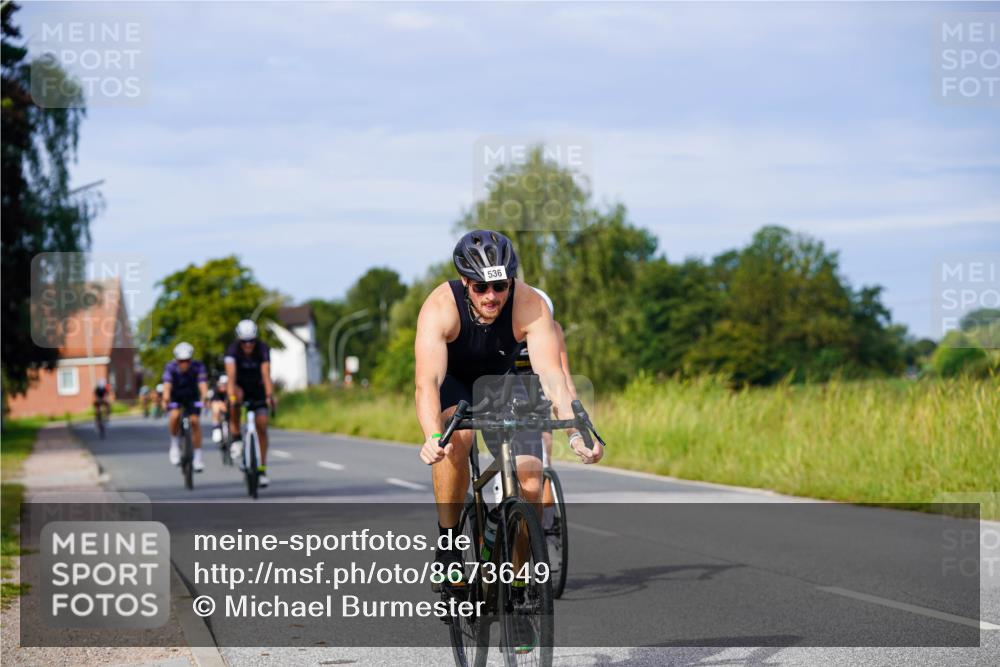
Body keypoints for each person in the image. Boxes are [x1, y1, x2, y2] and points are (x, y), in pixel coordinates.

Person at [414, 230, 603, 650]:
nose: (491, 296)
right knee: (457, 437)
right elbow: (427, 382)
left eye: (500, 285)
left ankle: (517, 596)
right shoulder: (440, 306)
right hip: (457, 381)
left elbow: (553, 377)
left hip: (511, 381)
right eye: (481, 286)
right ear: (466, 282)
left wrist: (575, 430)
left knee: (531, 482)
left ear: (511, 281)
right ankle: (448, 546)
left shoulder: (530, 304)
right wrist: (432, 435)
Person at [496, 287, 577, 513]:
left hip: (537, 384)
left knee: (544, 438)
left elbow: (563, 376)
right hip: (509, 384)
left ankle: (545, 475)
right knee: (507, 437)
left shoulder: (553, 331)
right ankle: (503, 487)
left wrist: (576, 415)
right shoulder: (511, 328)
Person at [225, 320, 275, 487]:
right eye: (245, 341)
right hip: (240, 385)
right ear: (239, 340)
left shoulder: (262, 349)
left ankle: (261, 469)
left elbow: (266, 374)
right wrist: (231, 395)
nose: (248, 345)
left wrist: (269, 395)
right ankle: (237, 436)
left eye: (251, 341)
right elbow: (231, 375)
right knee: (235, 399)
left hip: (258, 387)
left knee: (262, 425)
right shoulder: (232, 350)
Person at [162, 342, 209, 471]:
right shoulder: (170, 367)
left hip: (192, 397)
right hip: (176, 397)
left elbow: (202, 383)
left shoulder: (198, 366)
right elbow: (167, 385)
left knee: (195, 421)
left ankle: (198, 458)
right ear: (176, 360)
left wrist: (205, 397)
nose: (184, 364)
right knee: (175, 415)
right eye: (181, 361)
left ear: (191, 359)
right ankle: (174, 445)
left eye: (187, 361)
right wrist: (166, 397)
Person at [210, 374, 230, 444]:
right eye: (222, 384)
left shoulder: (230, 391)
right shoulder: (215, 391)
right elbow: (213, 402)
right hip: (219, 407)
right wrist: (221, 405)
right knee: (216, 408)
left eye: (225, 384)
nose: (223, 386)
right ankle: (216, 428)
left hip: (228, 408)